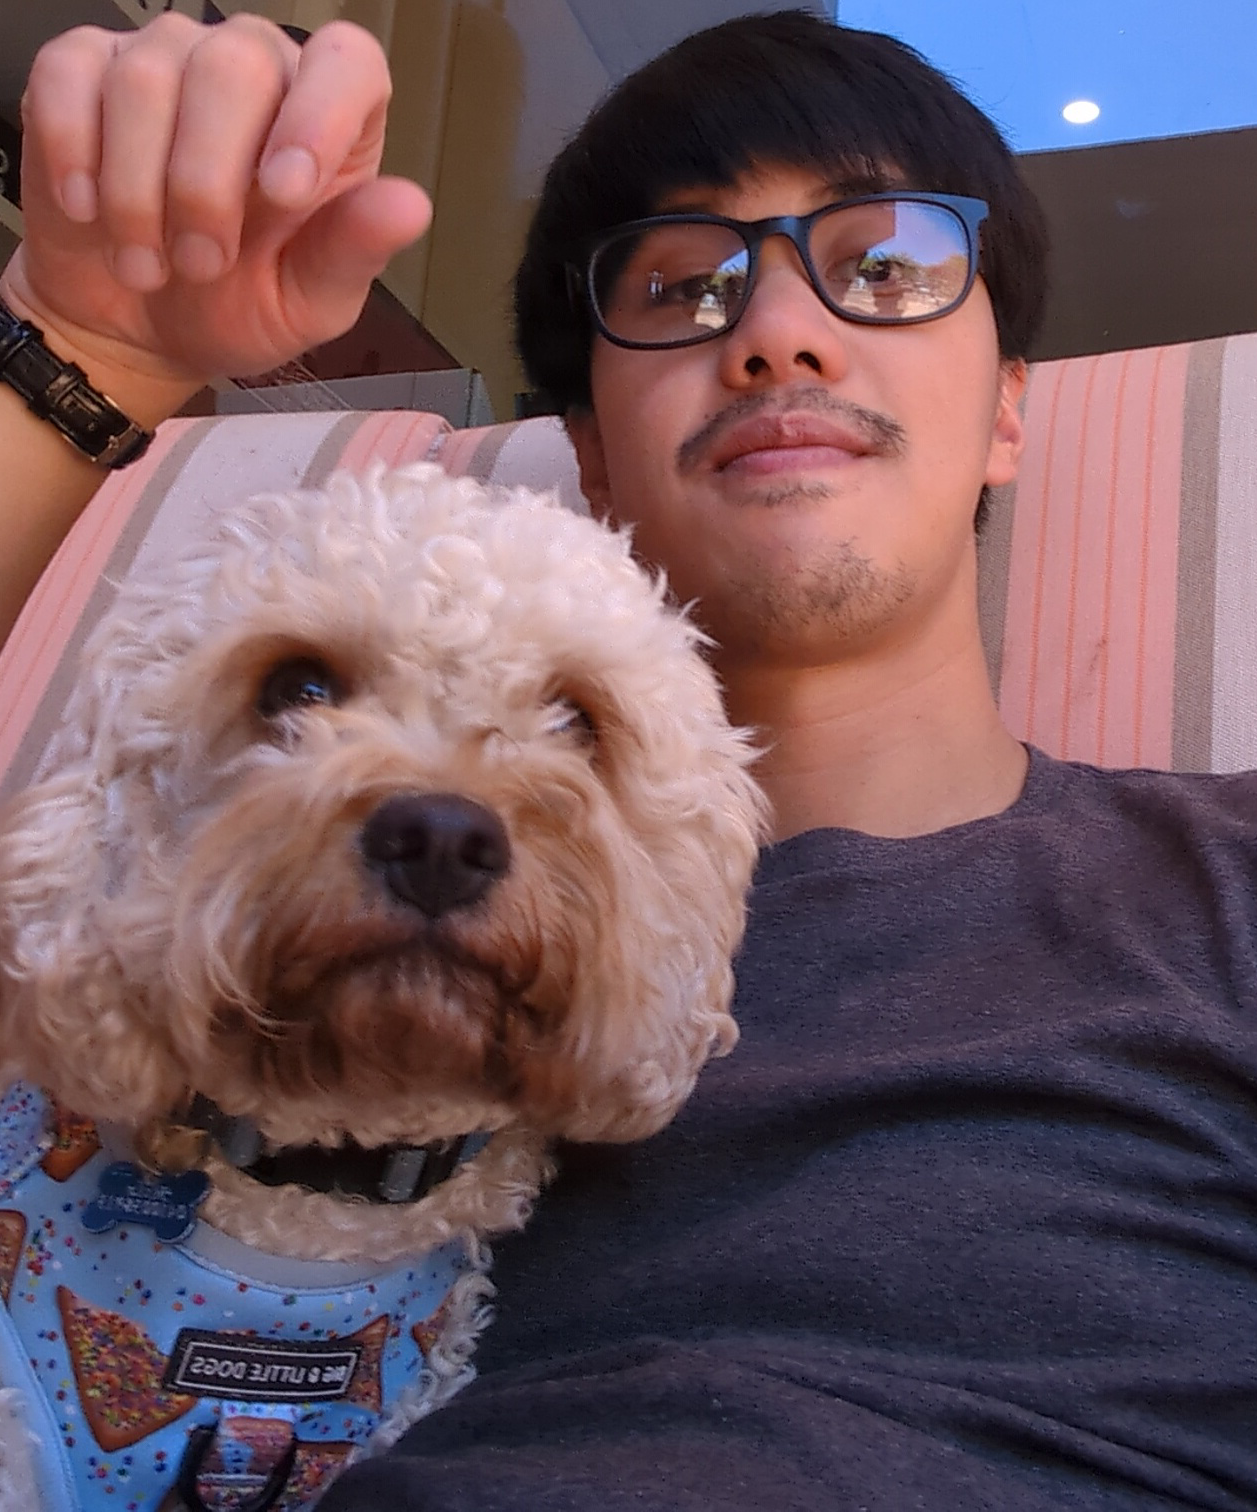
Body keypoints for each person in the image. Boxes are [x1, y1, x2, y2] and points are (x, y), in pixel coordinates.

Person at [3, 10, 1255, 1511]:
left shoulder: (1227, 883)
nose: (778, 332)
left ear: (1006, 407)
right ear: (588, 451)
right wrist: (83, 349)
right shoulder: (189, 901)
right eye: (683, 285)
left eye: (880, 266)